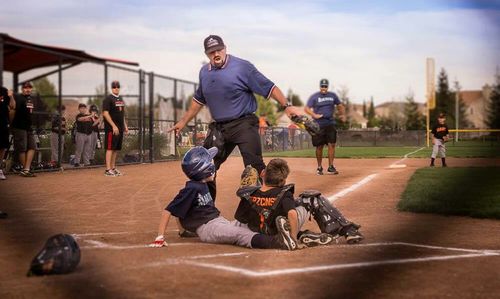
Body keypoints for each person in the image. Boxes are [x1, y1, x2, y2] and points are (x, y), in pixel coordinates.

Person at [169, 34, 302, 200]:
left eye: (219, 50)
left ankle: (268, 206)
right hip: (219, 127)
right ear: (206, 54)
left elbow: (269, 87)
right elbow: (198, 100)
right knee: (205, 166)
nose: (216, 54)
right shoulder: (204, 72)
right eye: (211, 52)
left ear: (225, 48)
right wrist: (182, 122)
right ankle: (205, 209)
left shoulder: (242, 67)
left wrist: (287, 106)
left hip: (243, 124)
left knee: (254, 168)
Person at [148, 146, 296, 251]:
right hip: (208, 229)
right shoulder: (191, 189)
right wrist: (159, 237)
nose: (214, 164)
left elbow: (181, 210)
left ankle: (284, 233)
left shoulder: (203, 183)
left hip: (218, 221)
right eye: (211, 162)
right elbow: (169, 210)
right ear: (204, 169)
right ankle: (277, 242)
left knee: (244, 225)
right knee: (241, 235)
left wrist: (183, 231)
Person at [236, 159, 364, 246]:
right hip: (279, 227)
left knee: (273, 210)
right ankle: (348, 230)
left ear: (263, 174)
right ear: (283, 182)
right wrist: (293, 240)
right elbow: (291, 213)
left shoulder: (249, 194)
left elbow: (241, 218)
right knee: (311, 198)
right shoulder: (284, 193)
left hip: (259, 231)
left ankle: (304, 235)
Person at [305, 79, 345, 175]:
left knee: (332, 144)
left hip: (330, 123)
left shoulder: (332, 96)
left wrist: (342, 114)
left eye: (325, 86)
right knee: (319, 146)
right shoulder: (314, 97)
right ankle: (319, 167)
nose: (324, 88)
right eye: (322, 86)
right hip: (318, 125)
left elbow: (340, 105)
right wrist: (314, 115)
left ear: (328, 87)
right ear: (320, 87)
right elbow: (306, 108)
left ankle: (331, 167)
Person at [11, 82, 37, 177]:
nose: (28, 89)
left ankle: (26, 169)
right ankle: (24, 169)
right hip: (19, 126)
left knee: (32, 147)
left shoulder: (31, 99)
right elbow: (12, 108)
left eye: (29, 88)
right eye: (25, 88)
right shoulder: (17, 97)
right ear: (22, 89)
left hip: (29, 127)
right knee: (22, 148)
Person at [102, 81, 128, 176]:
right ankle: (108, 170)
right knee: (110, 148)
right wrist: (113, 126)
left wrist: (125, 126)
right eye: (114, 86)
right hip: (111, 129)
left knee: (116, 149)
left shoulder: (120, 99)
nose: (116, 88)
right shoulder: (108, 99)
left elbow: (122, 114)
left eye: (118, 86)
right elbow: (105, 113)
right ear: (111, 88)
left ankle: (113, 168)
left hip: (120, 128)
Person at [1, 87, 16, 180]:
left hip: (3, 123)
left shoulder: (4, 90)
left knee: (2, 147)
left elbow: (13, 106)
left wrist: (11, 96)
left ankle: (0, 169)